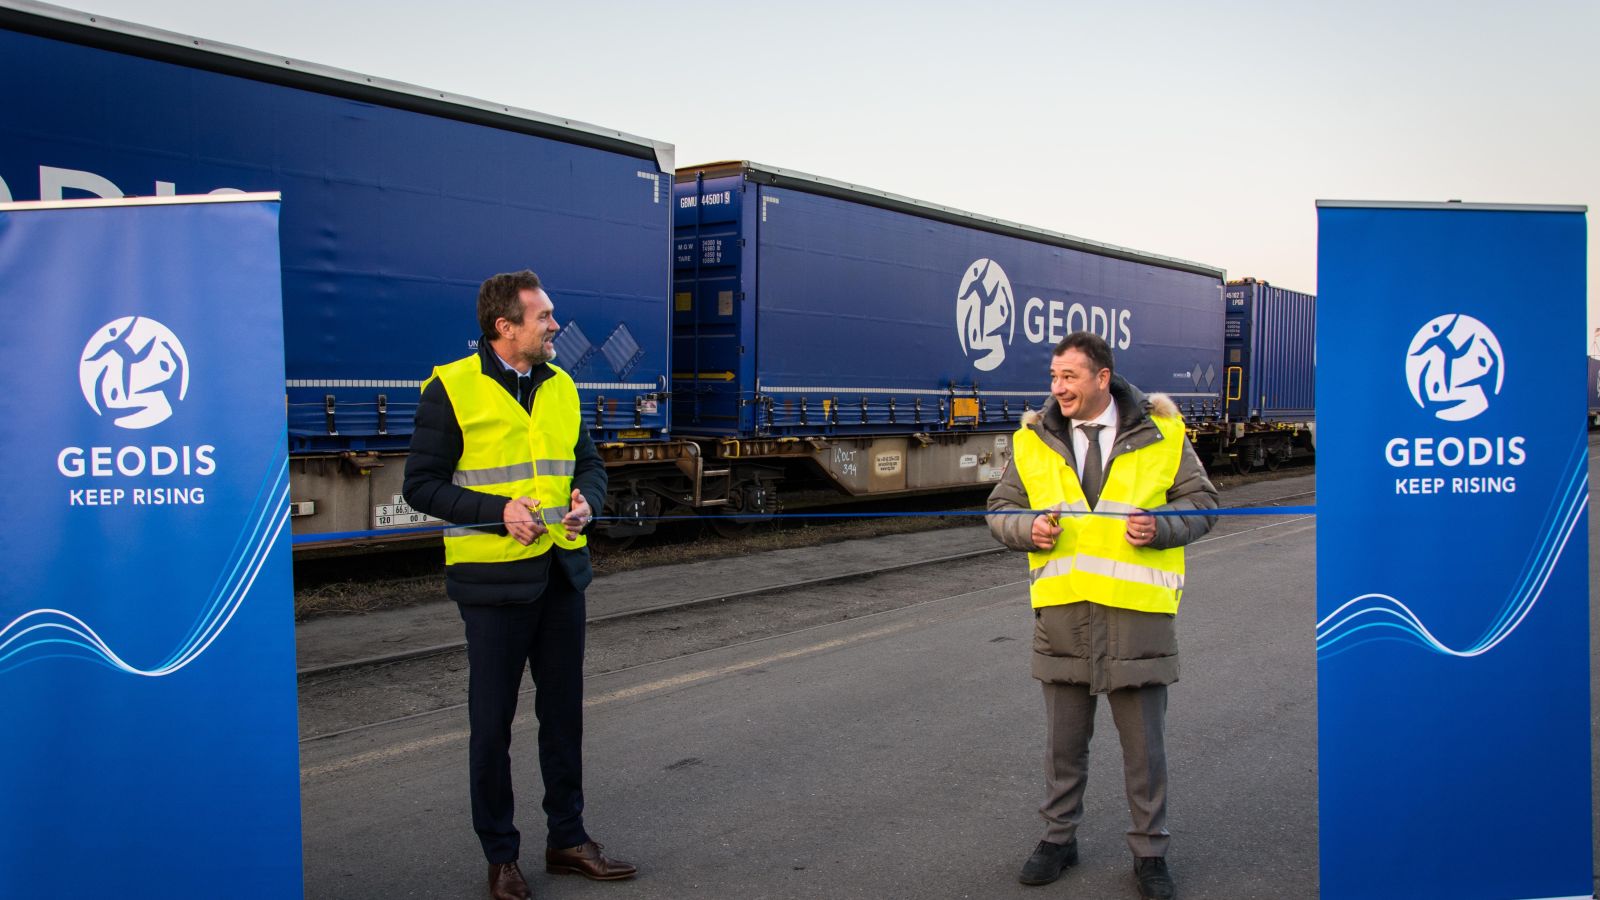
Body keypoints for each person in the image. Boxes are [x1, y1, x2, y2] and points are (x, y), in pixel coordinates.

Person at [403, 270, 636, 900]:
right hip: (492, 585)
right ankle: (501, 856)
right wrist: (498, 511)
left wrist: (587, 500)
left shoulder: (562, 385)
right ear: (504, 326)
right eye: (544, 317)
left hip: (561, 574)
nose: (556, 325)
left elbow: (588, 464)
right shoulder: (451, 387)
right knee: (492, 727)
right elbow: (420, 486)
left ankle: (568, 839)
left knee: (563, 718)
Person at [986, 331, 1217, 900]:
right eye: (1053, 377)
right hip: (1064, 615)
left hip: (1137, 617)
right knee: (1063, 746)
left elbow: (1203, 503)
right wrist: (1028, 529)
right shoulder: (1033, 440)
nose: (1057, 388)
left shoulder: (1163, 433)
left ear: (1102, 377)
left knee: (1144, 750)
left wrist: (1162, 526)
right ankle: (1058, 839)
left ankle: (1150, 852)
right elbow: (1001, 508)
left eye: (1069, 376)